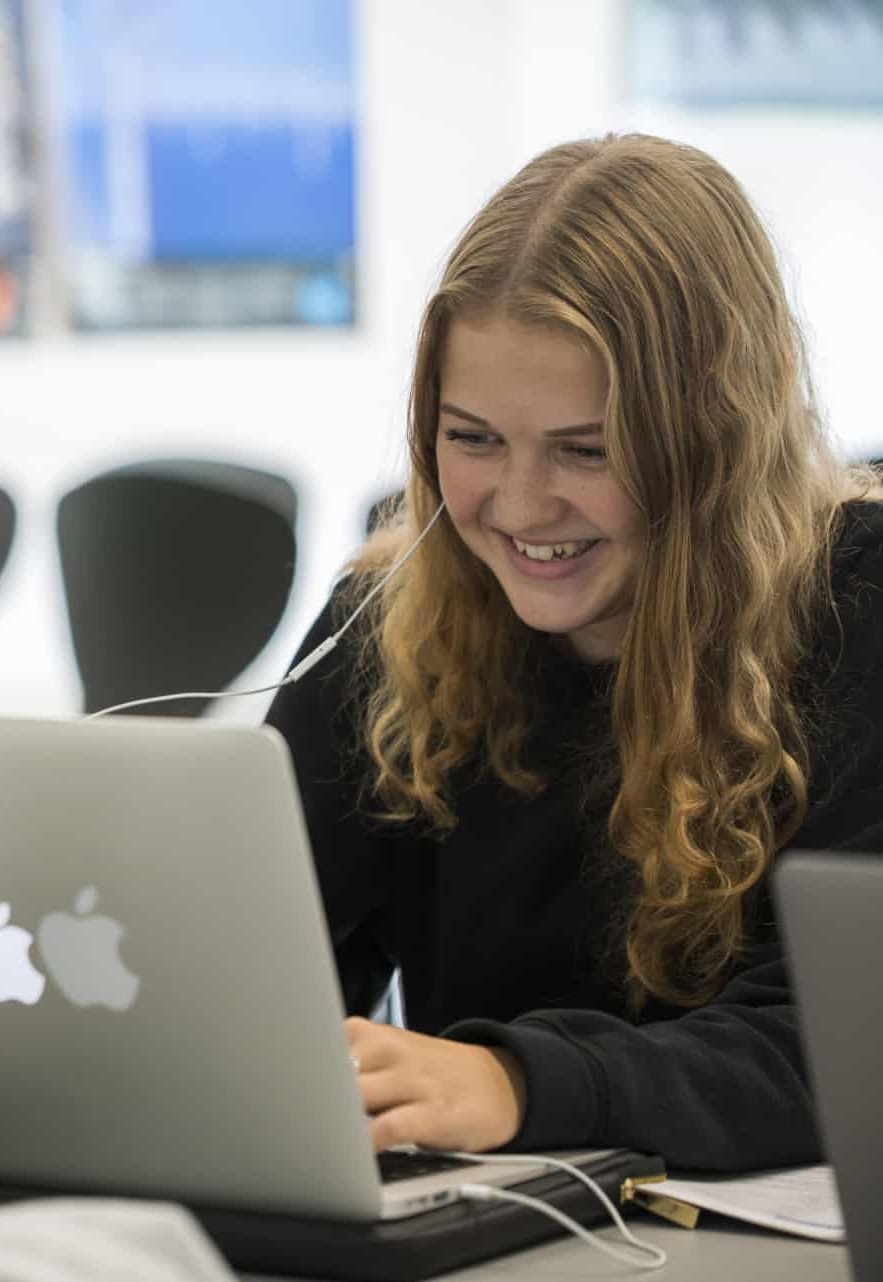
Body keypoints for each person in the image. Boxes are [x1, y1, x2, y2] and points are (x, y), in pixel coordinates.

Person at [267, 132, 883, 1172]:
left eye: (585, 449)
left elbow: (838, 1046)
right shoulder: (385, 631)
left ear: (716, 435)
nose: (518, 505)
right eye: (472, 439)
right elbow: (256, 989)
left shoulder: (858, 608)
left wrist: (519, 1083)